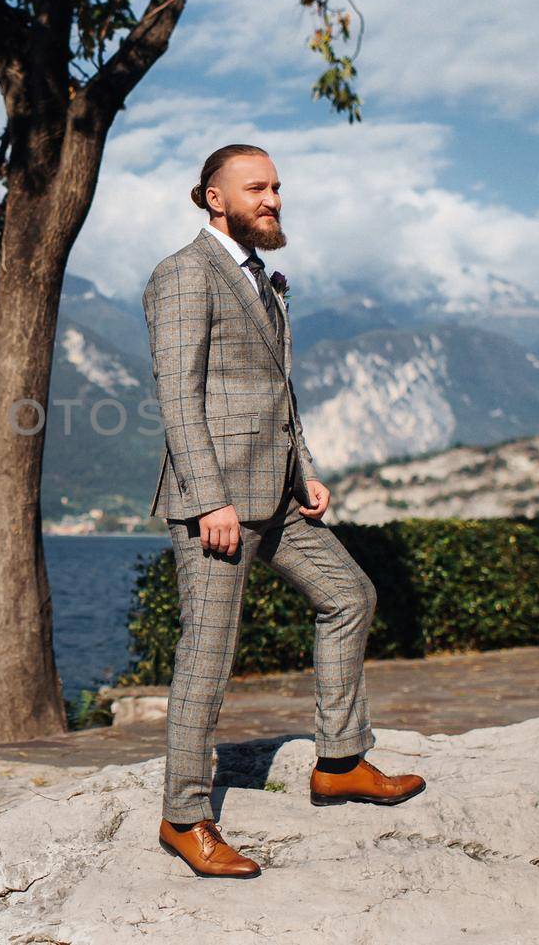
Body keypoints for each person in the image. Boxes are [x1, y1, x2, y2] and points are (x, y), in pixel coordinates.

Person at [141, 143, 425, 878]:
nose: (272, 199)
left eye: (276, 187)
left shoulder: (261, 278)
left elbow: (274, 394)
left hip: (278, 497)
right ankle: (185, 817)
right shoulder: (184, 273)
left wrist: (308, 474)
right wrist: (209, 499)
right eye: (256, 187)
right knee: (208, 652)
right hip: (219, 506)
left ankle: (338, 762)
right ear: (213, 198)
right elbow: (180, 396)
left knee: (349, 595)